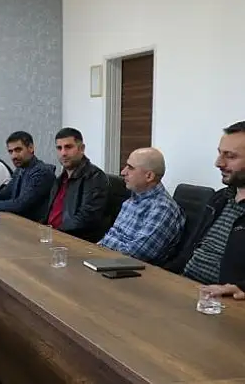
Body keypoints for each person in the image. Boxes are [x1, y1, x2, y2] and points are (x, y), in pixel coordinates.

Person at [167, 121, 245, 300]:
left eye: (230, 156)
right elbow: (189, 252)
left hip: (222, 303)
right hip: (186, 288)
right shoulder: (219, 199)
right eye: (220, 153)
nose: (218, 163)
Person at [99, 148, 185, 266]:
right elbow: (112, 238)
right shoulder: (131, 200)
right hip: (109, 260)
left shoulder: (162, 209)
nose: (123, 172)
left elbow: (135, 254)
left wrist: (106, 241)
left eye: (130, 168)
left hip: (132, 270)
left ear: (149, 176)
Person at [0, 131, 56, 222]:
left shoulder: (42, 172)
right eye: (11, 152)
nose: (14, 156)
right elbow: (5, 194)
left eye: (18, 150)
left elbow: (20, 205)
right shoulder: (20, 170)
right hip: (19, 222)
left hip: (35, 227)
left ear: (31, 148)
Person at [43, 127, 109, 242]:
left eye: (68, 147)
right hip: (52, 237)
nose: (63, 153)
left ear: (81, 149)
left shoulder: (95, 177)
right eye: (59, 148)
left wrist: (55, 233)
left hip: (74, 241)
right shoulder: (60, 178)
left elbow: (86, 218)